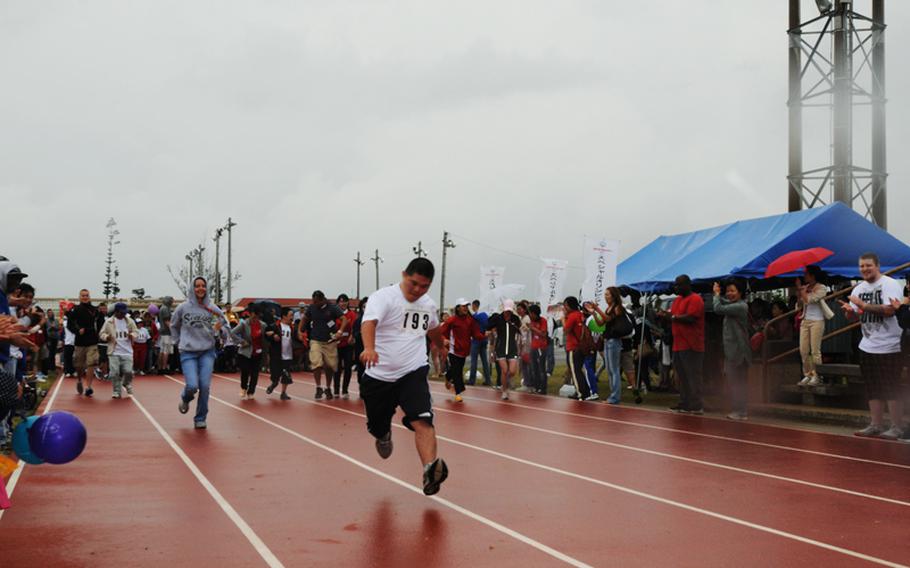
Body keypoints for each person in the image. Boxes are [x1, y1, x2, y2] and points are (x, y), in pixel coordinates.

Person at [359, 258, 449, 496]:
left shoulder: (428, 304)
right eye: (413, 284)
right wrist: (369, 348)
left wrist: (440, 346)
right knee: (378, 425)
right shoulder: (383, 297)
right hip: (379, 375)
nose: (418, 291)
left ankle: (430, 472)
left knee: (424, 420)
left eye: (424, 286)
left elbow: (433, 328)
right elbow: (368, 323)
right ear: (403, 275)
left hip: (413, 372)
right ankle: (383, 434)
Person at [840, 253, 905, 440]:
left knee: (891, 386)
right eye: (861, 266)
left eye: (868, 265)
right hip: (868, 344)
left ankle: (897, 426)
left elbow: (890, 310)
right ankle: (876, 424)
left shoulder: (889, 284)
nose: (865, 269)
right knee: (872, 387)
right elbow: (855, 315)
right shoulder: (859, 288)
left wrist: (863, 305)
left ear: (877, 266)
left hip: (890, 344)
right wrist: (849, 313)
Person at [174, 277, 227, 429]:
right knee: (192, 386)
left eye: (203, 286)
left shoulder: (212, 308)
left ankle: (200, 417)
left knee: (204, 386)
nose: (200, 288)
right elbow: (173, 325)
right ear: (192, 288)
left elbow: (225, 327)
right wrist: (178, 342)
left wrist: (220, 330)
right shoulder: (183, 308)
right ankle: (185, 397)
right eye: (197, 286)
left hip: (207, 351)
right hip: (188, 352)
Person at [658, 275, 705, 415]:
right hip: (678, 344)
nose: (676, 288)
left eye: (678, 285)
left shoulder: (695, 299)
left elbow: (691, 318)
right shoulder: (677, 300)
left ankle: (696, 404)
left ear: (687, 285)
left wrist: (672, 317)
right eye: (675, 285)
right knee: (682, 375)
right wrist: (663, 316)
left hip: (692, 344)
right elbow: (673, 315)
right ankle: (685, 402)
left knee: (692, 375)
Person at [297, 291, 348, 400]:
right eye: (313, 301)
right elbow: (304, 319)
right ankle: (318, 387)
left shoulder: (332, 307)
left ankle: (328, 387)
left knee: (330, 366)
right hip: (316, 340)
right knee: (316, 363)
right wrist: (299, 332)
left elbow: (344, 319)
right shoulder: (311, 308)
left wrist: (340, 331)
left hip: (330, 340)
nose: (314, 303)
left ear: (322, 299)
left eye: (316, 302)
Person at [712, 280, 752, 420]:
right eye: (728, 291)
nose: (729, 294)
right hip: (732, 351)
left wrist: (716, 294)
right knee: (734, 382)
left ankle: (741, 411)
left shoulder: (741, 306)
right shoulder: (734, 305)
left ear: (740, 292)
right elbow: (723, 302)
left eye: (733, 291)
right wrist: (718, 293)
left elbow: (718, 308)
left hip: (739, 352)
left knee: (738, 382)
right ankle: (738, 410)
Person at [438, 298, 485, 402]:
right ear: (458, 308)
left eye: (466, 306)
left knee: (456, 369)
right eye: (463, 306)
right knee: (457, 371)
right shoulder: (452, 320)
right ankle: (458, 393)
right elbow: (440, 332)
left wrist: (484, 336)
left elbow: (475, 333)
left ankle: (447, 376)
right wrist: (444, 339)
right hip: (453, 350)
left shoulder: (470, 320)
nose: (465, 308)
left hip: (464, 351)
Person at [592, 287, 628, 404]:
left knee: (614, 369)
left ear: (614, 296)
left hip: (614, 340)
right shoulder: (608, 308)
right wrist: (594, 313)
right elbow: (601, 323)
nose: (605, 296)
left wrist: (597, 308)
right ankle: (613, 395)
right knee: (609, 369)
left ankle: (615, 396)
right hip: (607, 340)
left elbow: (607, 319)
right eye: (605, 294)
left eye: (608, 294)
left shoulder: (617, 308)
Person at [796, 265, 830, 387]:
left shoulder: (822, 287)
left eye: (806, 274)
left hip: (817, 320)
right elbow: (800, 304)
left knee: (815, 350)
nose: (804, 276)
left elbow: (811, 300)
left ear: (812, 275)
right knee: (803, 350)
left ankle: (817, 375)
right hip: (805, 320)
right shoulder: (805, 287)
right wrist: (799, 291)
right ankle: (807, 374)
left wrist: (803, 292)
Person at [99, 302, 138, 399]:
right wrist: (107, 337)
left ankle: (126, 383)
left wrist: (132, 335)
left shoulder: (130, 321)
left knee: (129, 371)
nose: (123, 314)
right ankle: (116, 391)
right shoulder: (109, 322)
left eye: (124, 312)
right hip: (114, 351)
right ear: (116, 312)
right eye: (121, 312)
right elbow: (101, 333)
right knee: (114, 372)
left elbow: (136, 332)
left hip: (127, 351)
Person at [487, 300, 523, 400]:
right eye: (506, 310)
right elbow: (488, 326)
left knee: (512, 371)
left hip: (512, 348)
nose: (508, 312)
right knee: (504, 370)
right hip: (501, 348)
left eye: (510, 311)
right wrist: (491, 330)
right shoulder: (498, 318)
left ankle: (506, 383)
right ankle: (504, 390)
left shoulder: (515, 319)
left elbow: (519, 330)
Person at [67, 289, 100, 397]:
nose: (85, 297)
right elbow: (69, 325)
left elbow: (100, 323)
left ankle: (88, 387)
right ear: (79, 297)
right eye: (83, 296)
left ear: (89, 297)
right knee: (79, 365)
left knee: (91, 363)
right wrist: (77, 331)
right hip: (80, 342)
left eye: (87, 295)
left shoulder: (95, 310)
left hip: (92, 341)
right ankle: (79, 380)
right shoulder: (75, 309)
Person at [562, 296, 593, 401]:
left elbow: (566, 330)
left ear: (569, 306)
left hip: (573, 347)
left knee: (575, 371)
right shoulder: (580, 314)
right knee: (578, 370)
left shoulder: (571, 316)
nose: (564, 308)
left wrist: (563, 319)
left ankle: (580, 393)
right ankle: (586, 391)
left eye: (565, 305)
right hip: (581, 346)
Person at [233, 306, 264, 400]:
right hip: (245, 352)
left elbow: (265, 338)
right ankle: (243, 387)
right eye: (252, 315)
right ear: (250, 314)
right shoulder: (244, 324)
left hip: (258, 352)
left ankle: (251, 391)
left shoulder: (263, 325)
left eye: (256, 315)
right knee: (245, 371)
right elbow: (232, 332)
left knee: (255, 373)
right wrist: (242, 341)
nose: (254, 317)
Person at [265, 307, 294, 400]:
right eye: (290, 315)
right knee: (275, 374)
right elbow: (266, 333)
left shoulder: (292, 328)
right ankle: (274, 383)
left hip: (288, 355)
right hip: (277, 355)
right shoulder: (275, 326)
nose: (292, 317)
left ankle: (283, 393)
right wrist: (273, 336)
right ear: (284, 316)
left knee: (286, 374)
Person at [333, 294, 359, 399]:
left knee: (347, 367)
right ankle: (336, 389)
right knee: (337, 368)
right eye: (340, 301)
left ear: (348, 302)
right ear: (338, 303)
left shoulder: (352, 314)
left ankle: (345, 390)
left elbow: (354, 327)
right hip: (337, 344)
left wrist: (351, 336)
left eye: (344, 301)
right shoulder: (334, 314)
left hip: (348, 345)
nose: (342, 303)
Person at [527, 304, 549, 394]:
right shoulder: (531, 321)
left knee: (541, 368)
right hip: (533, 347)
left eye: (530, 313)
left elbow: (543, 334)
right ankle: (536, 386)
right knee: (534, 368)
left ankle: (543, 388)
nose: (530, 315)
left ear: (534, 313)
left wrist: (533, 328)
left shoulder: (542, 321)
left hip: (541, 347)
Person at [468, 299, 491, 386]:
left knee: (474, 361)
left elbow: (472, 317)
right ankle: (488, 380)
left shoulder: (476, 315)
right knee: (484, 360)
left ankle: (472, 380)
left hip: (476, 339)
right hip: (484, 339)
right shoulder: (485, 315)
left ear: (474, 306)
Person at [157, 296, 175, 374]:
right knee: (166, 351)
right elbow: (167, 321)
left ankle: (160, 367)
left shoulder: (162, 308)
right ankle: (164, 368)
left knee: (162, 350)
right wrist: (173, 330)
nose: (172, 302)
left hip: (162, 331)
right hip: (166, 332)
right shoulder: (166, 309)